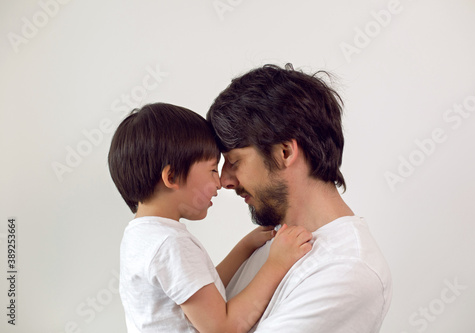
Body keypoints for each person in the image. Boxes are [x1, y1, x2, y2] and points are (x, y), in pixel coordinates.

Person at [206, 64, 393, 332]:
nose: (225, 181)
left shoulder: (348, 269)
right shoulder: (273, 240)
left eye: (234, 161)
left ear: (285, 152)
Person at [107, 102, 312, 333]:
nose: (220, 183)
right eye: (213, 170)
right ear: (172, 176)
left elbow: (203, 293)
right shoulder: (170, 244)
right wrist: (277, 263)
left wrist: (244, 248)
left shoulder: (141, 235)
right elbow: (223, 328)